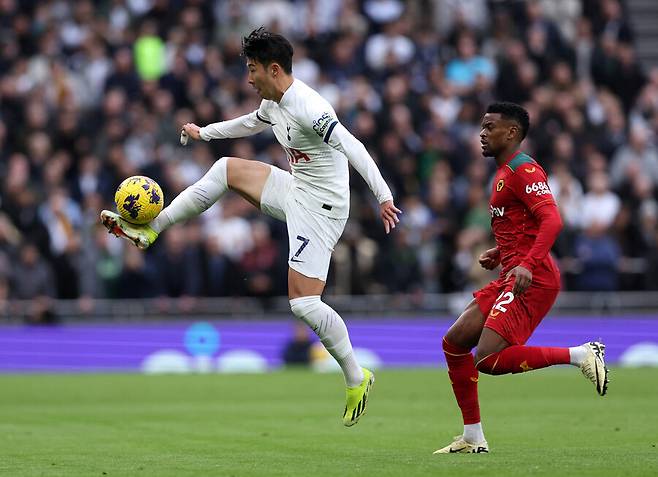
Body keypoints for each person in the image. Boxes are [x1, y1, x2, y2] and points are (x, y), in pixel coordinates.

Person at [100, 27, 401, 427]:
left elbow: (354, 147)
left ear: (273, 69)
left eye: (252, 69)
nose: (248, 77)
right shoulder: (273, 102)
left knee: (304, 304)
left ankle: (355, 375)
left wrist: (382, 196)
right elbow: (248, 123)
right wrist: (204, 132)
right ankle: (152, 228)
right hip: (296, 189)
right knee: (226, 169)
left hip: (323, 209)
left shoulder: (309, 106)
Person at [435, 102, 608, 454]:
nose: (481, 134)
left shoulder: (523, 170)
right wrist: (500, 252)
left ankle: (582, 354)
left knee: (487, 359)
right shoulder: (502, 172)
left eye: (489, 127)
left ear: (511, 133)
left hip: (534, 277)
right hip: (512, 272)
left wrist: (526, 263)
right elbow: (523, 224)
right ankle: (472, 437)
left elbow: (552, 221)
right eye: (481, 128)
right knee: (454, 342)